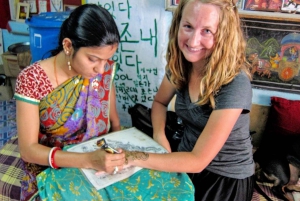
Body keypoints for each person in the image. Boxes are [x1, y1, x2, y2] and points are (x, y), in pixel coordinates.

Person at [124, 0, 255, 200]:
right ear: (178, 25)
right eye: (188, 27)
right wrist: (160, 136)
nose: (193, 42)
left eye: (207, 31)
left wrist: (131, 157)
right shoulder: (180, 65)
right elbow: (159, 103)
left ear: (224, 35)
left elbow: (198, 161)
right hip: (183, 161)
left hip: (224, 180)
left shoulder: (235, 84)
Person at [15, 4, 125, 200]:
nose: (101, 70)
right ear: (68, 46)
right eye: (93, 59)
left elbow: (114, 123)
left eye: (107, 60)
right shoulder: (32, 80)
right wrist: (88, 161)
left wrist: (118, 153)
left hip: (98, 156)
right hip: (52, 164)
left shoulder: (104, 71)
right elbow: (28, 150)